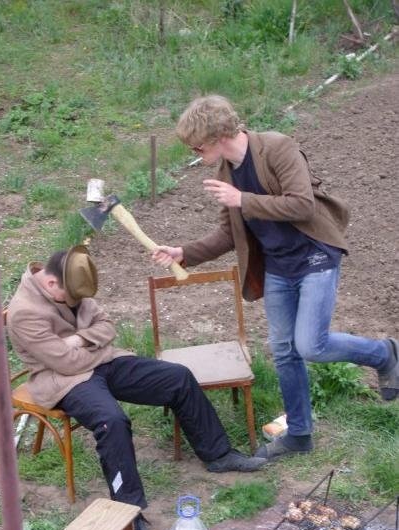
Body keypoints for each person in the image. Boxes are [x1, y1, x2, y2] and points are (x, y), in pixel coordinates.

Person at [152, 94, 398, 464]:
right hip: (279, 267)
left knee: (311, 345)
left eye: (197, 146)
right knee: (284, 350)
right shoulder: (226, 174)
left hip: (315, 254)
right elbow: (228, 234)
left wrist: (243, 200)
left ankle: (384, 353)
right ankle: (299, 433)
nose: (194, 152)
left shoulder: (278, 148)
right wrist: (184, 252)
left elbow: (302, 204)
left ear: (217, 136)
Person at [7, 245, 266, 530]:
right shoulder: (24, 312)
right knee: (112, 421)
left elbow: (107, 327)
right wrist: (97, 347)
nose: (77, 303)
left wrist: (79, 340)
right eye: (71, 299)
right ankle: (128, 514)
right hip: (63, 380)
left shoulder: (73, 278)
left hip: (101, 362)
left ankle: (218, 454)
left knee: (178, 377)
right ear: (51, 284)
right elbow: (65, 363)